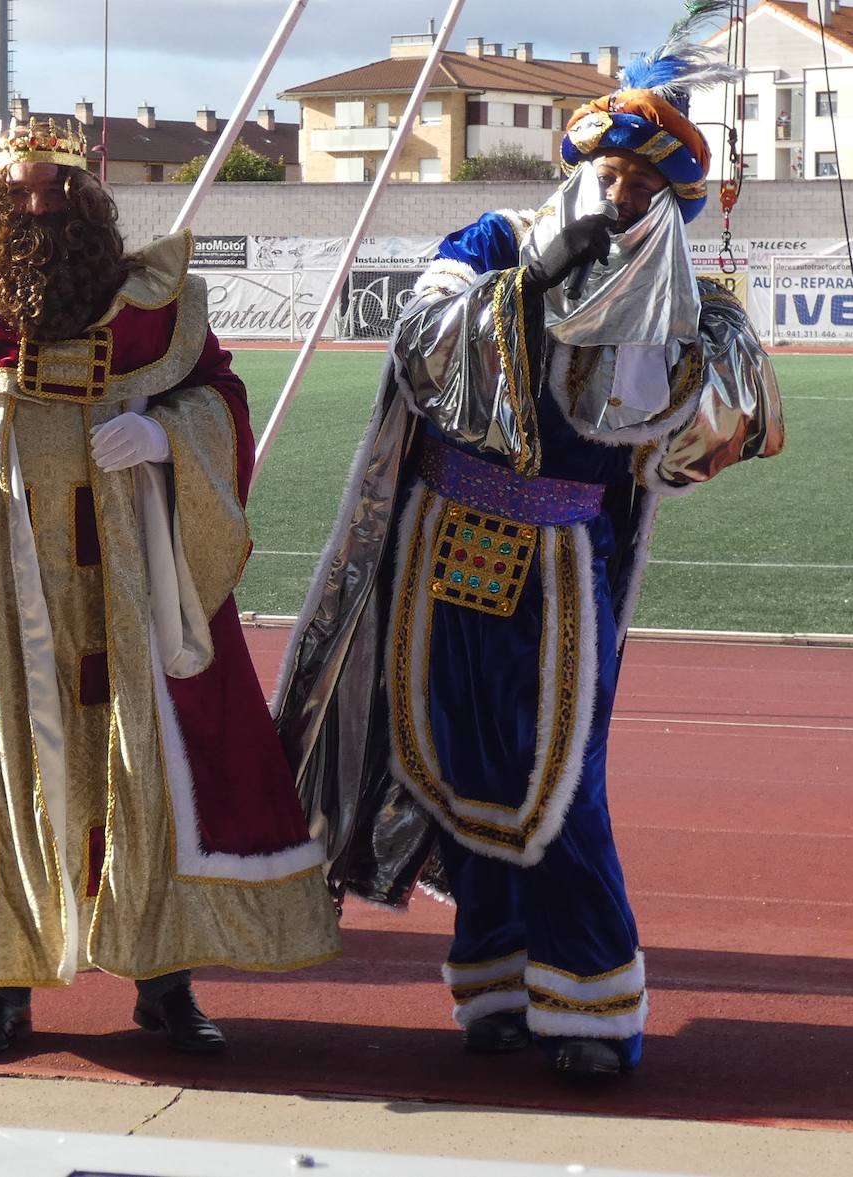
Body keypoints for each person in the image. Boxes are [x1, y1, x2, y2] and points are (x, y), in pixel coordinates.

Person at [274, 16, 783, 1078]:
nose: (622, 192)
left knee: (557, 780)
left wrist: (703, 346)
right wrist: (538, 281)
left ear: (673, 198)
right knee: (460, 762)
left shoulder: (691, 296)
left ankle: (592, 1002)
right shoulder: (497, 243)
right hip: (446, 538)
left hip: (565, 558)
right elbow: (420, 345)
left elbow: (716, 432)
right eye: (610, 170)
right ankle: (498, 985)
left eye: (646, 183)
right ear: (581, 164)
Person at [0, 119, 341, 1057]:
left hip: (134, 581)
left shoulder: (150, 302)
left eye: (58, 190)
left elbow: (219, 395)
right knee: (4, 779)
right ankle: (1, 987)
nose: (40, 205)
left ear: (88, 198)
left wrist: (168, 439)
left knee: (149, 769)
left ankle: (164, 976)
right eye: (21, 189)